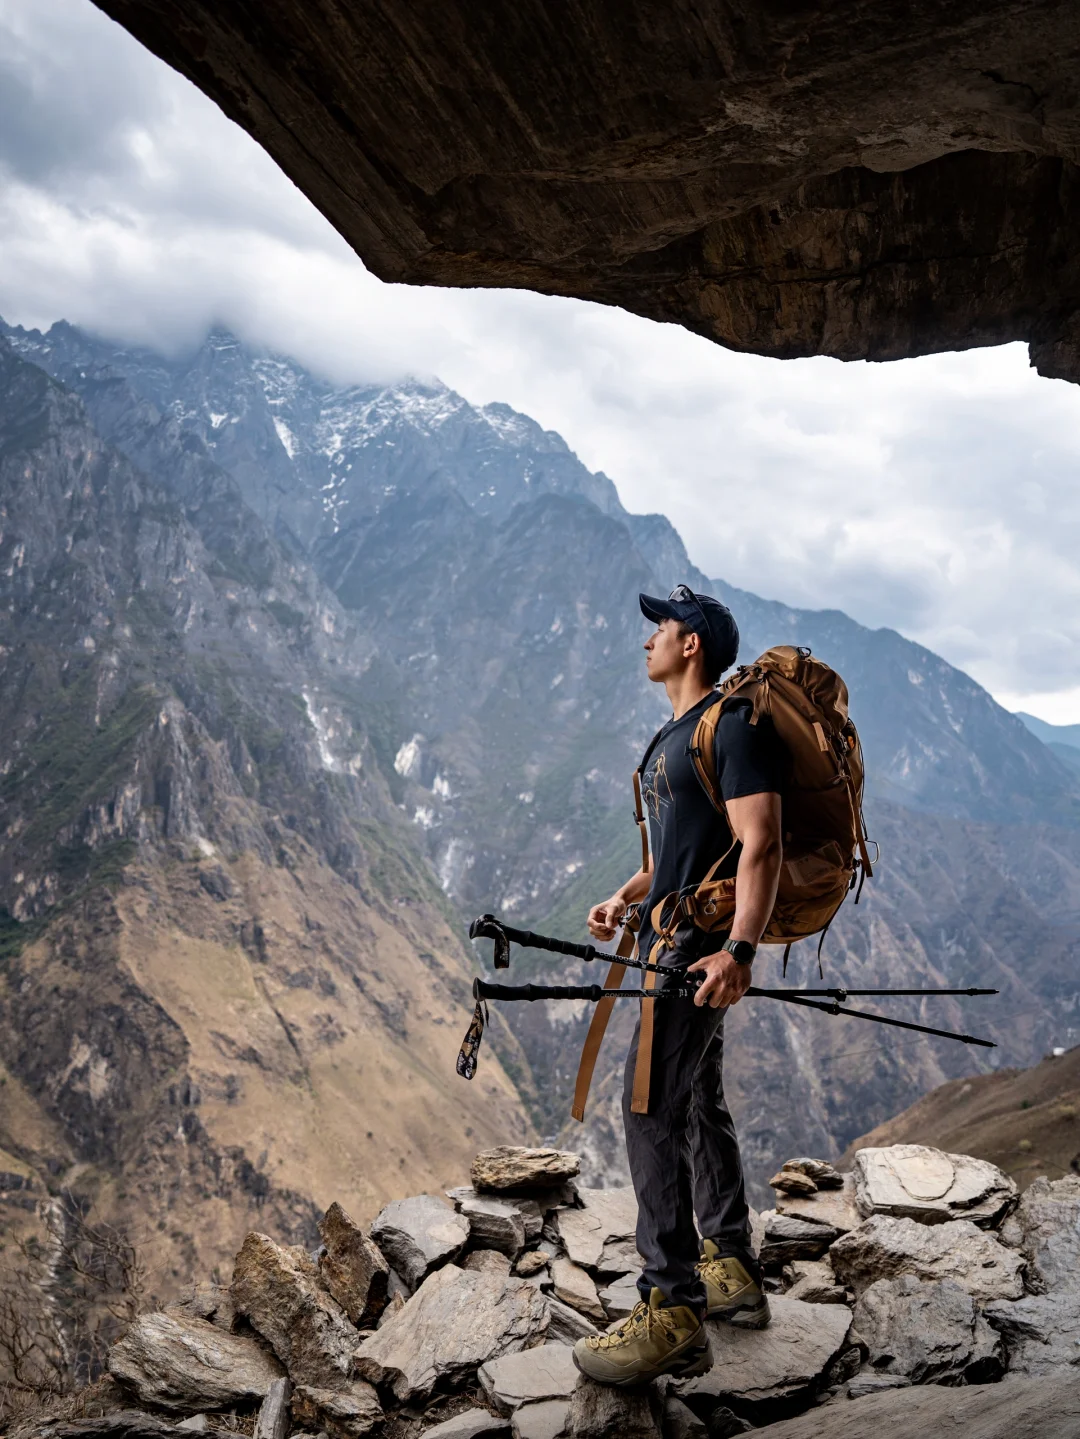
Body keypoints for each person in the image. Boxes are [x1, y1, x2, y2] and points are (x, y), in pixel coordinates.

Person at [573, 584, 784, 1387]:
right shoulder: (678, 735)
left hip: (696, 945)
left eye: (660, 628)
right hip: (670, 933)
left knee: (648, 1104)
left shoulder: (731, 726)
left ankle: (672, 1308)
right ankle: (728, 1262)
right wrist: (625, 895)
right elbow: (676, 852)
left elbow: (758, 842)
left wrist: (739, 950)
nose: (648, 639)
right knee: (697, 1098)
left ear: (690, 643)